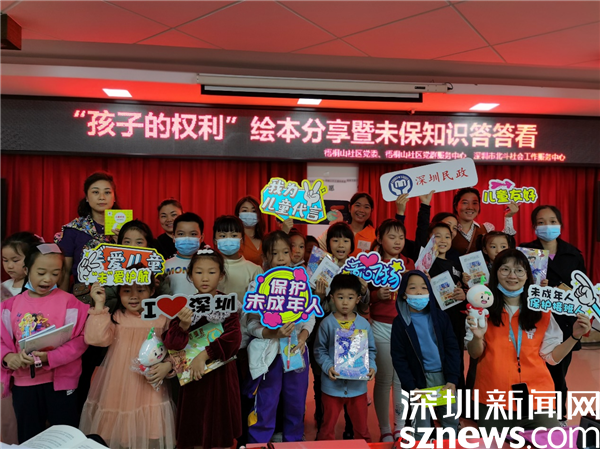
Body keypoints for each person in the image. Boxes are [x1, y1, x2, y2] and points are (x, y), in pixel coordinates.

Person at [466, 249, 591, 432]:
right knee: (494, 443)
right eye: (505, 269)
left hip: (538, 396)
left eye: (519, 270)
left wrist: (574, 336)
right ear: (495, 273)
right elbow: (474, 353)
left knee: (549, 441)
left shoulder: (541, 310)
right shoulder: (481, 309)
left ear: (527, 276)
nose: (512, 276)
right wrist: (477, 337)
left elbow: (551, 358)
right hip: (494, 396)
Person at [79, 264, 176, 449]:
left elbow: (176, 348)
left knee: (148, 433)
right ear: (118, 292)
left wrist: (168, 365)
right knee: (119, 432)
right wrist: (99, 305)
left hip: (150, 385)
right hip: (118, 383)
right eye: (126, 291)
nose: (133, 296)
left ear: (152, 290)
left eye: (140, 290)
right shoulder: (116, 316)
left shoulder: (163, 317)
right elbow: (95, 339)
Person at [1, 243, 89, 443]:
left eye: (55, 273)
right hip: (24, 384)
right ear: (26, 270)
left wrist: (51, 357)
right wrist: (8, 356)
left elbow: (81, 340)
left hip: (61, 383)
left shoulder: (71, 303)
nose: (48, 279)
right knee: (29, 438)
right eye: (41, 273)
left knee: (66, 438)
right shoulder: (9, 306)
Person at [163, 249, 241, 449]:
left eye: (211, 272)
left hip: (221, 377)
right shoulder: (183, 305)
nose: (205, 278)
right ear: (190, 275)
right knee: (195, 429)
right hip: (193, 378)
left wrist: (204, 356)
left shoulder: (228, 303)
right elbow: (171, 343)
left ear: (221, 275)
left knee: (221, 430)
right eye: (198, 272)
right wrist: (183, 326)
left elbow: (233, 339)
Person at [244, 231, 314, 443]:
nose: (281, 258)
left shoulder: (301, 283)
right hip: (268, 353)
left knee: (296, 400)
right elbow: (250, 324)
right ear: (266, 257)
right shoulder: (257, 285)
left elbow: (309, 317)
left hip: (295, 350)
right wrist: (272, 333)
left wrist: (302, 337)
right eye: (275, 253)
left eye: (285, 252)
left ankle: (294, 440)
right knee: (266, 400)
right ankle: (259, 441)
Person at [519, 205, 587, 425]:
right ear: (533, 226)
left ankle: (558, 417)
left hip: (564, 323)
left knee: (557, 373)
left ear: (560, 224)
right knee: (527, 372)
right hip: (533, 320)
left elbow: (583, 289)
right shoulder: (526, 252)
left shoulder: (573, 254)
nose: (547, 226)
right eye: (541, 222)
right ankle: (526, 416)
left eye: (552, 221)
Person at [391, 270, 461, 442]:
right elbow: (398, 357)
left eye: (424, 288)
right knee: (420, 425)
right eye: (413, 288)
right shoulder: (400, 323)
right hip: (418, 381)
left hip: (443, 377)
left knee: (450, 420)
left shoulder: (441, 318)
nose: (419, 292)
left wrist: (452, 379)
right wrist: (410, 386)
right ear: (404, 294)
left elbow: (453, 348)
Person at [314, 273, 376, 441]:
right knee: (327, 428)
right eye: (340, 297)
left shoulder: (363, 324)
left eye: (350, 297)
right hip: (331, 387)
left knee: (362, 429)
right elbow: (319, 350)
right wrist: (328, 366)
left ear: (358, 299)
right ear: (332, 298)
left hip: (358, 388)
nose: (345, 302)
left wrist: (372, 367)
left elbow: (371, 350)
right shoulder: (327, 323)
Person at [369, 219, 415, 442]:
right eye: (392, 236)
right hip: (380, 327)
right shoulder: (371, 264)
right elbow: (359, 297)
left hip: (405, 328)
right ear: (379, 239)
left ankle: (400, 427)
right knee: (384, 379)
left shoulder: (409, 263)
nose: (398, 241)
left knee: (401, 379)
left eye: (401, 237)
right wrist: (377, 295)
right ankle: (385, 429)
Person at [55, 171, 120, 291]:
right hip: (83, 295)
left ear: (114, 197)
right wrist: (64, 301)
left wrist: (122, 243)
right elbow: (65, 272)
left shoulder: (126, 228)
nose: (102, 197)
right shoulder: (73, 230)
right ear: (87, 197)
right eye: (95, 192)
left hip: (122, 294)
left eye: (107, 192)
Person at [451, 188, 518, 256]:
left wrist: (508, 217)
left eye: (474, 203)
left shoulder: (486, 228)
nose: (470, 207)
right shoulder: (449, 229)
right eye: (465, 203)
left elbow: (505, 243)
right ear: (456, 206)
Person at [213, 215, 263, 301]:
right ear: (215, 240)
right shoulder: (209, 268)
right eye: (223, 236)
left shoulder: (255, 270)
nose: (228, 239)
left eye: (234, 235)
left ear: (242, 239)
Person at [318, 193, 376, 257]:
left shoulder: (375, 235)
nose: (361, 210)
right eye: (357, 205)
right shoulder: (337, 229)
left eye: (366, 207)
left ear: (371, 211)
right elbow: (316, 250)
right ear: (349, 208)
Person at [164, 213, 205, 296]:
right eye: (181, 234)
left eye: (193, 234)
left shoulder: (209, 264)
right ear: (174, 237)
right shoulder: (165, 265)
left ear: (202, 237)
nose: (187, 238)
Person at [2, 232, 43, 298]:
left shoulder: (39, 289)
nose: (9, 266)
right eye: (5, 260)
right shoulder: (3, 287)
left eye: (15, 260)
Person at [235, 196, 266, 267]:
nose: (249, 214)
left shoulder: (266, 239)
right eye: (245, 211)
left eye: (254, 211)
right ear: (238, 214)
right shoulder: (235, 240)